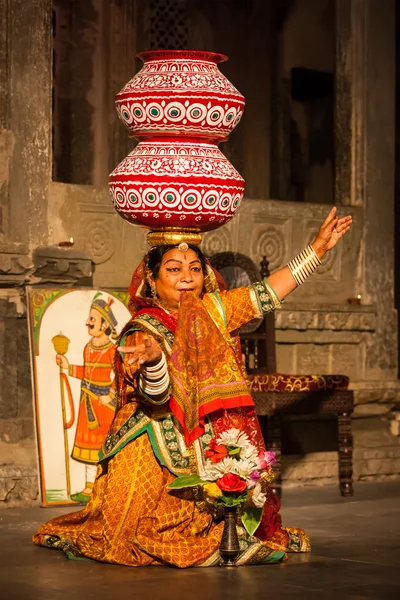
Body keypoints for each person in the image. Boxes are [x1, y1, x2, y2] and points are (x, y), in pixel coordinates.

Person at [33, 207, 352, 567]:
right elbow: (156, 396)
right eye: (174, 269)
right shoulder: (143, 328)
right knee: (129, 534)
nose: (186, 277)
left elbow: (265, 294)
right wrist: (154, 361)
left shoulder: (212, 310)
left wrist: (318, 250)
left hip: (207, 432)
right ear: (152, 280)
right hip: (152, 437)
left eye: (195, 269)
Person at [56, 294, 118, 502]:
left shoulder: (112, 350)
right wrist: (67, 366)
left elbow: (120, 376)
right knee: (87, 448)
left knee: (104, 447)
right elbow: (87, 372)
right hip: (87, 402)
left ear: (104, 323)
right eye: (89, 318)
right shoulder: (88, 347)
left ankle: (107, 489)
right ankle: (89, 489)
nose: (87, 322)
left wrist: (110, 396)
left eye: (93, 318)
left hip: (103, 404)